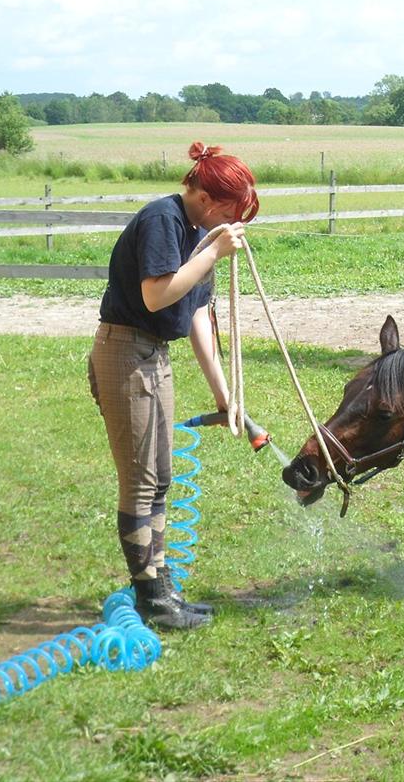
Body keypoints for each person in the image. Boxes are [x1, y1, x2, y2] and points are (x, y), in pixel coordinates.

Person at [87, 142, 259, 630]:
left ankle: (162, 588)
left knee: (161, 477)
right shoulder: (164, 220)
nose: (235, 218)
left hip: (151, 354)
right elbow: (158, 294)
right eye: (232, 207)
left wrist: (225, 396)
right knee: (142, 482)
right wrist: (212, 254)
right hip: (125, 352)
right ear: (207, 198)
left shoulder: (196, 232)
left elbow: (198, 315)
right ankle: (151, 600)